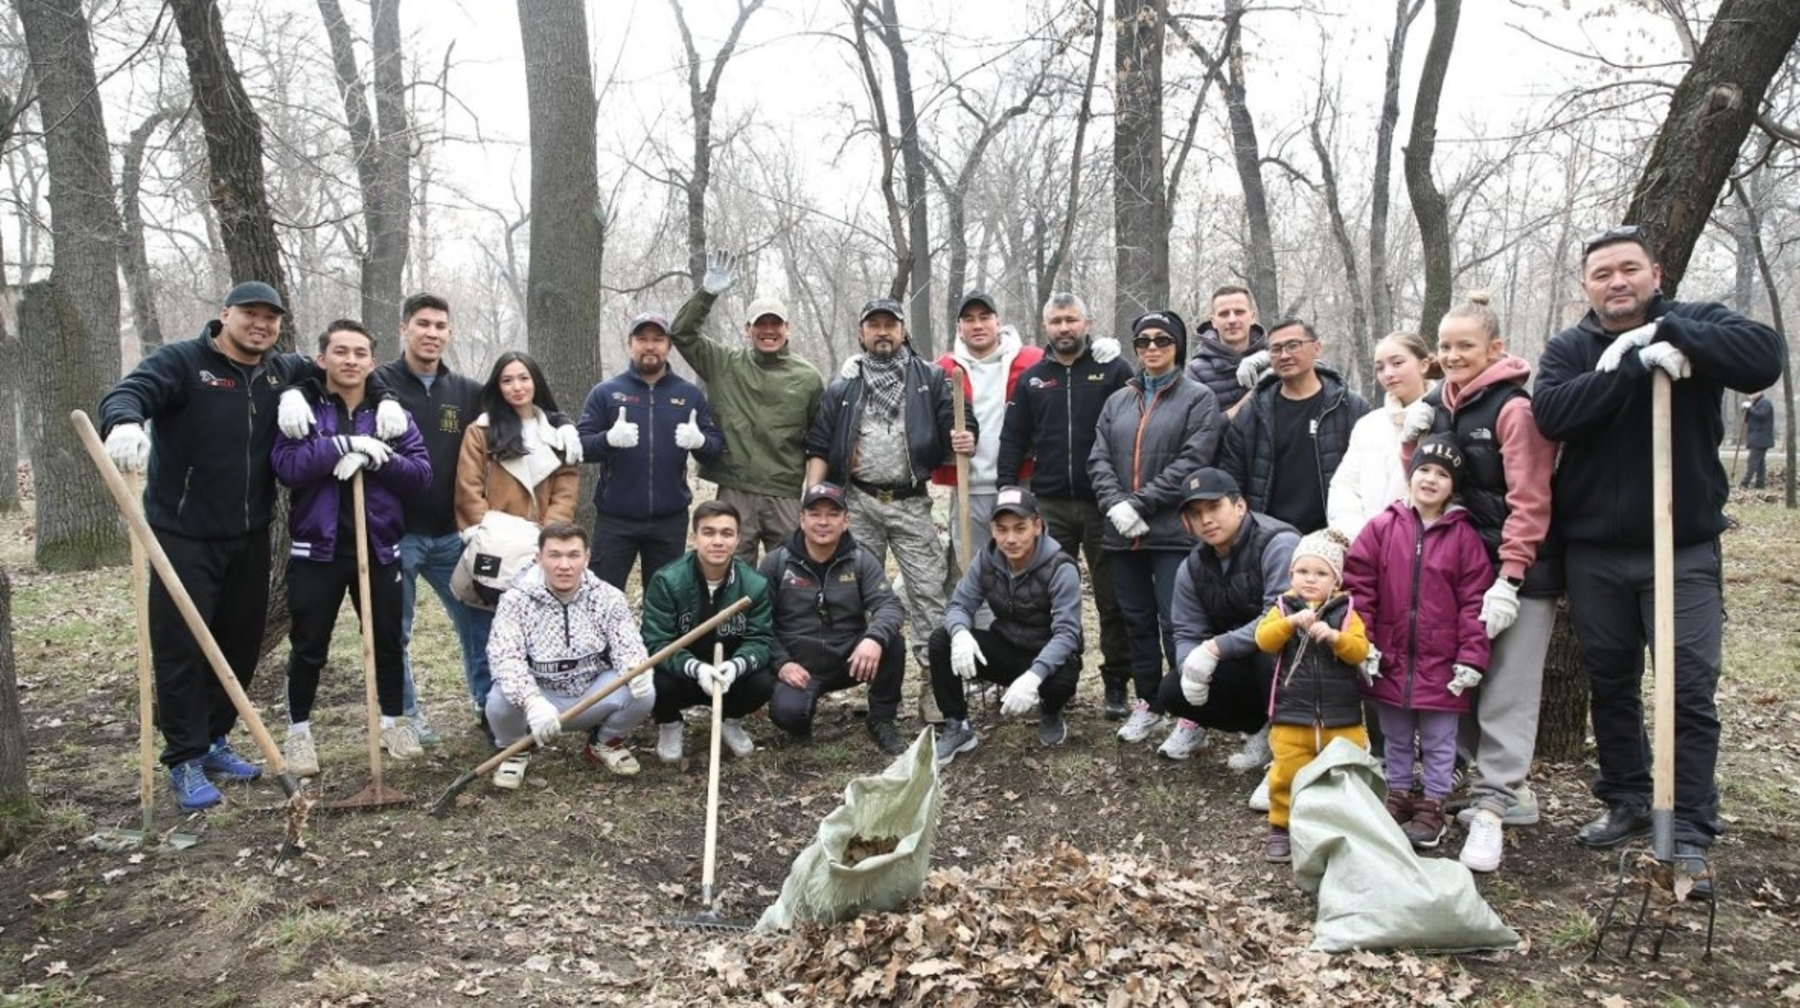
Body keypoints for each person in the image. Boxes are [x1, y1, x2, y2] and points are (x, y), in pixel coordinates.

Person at [1534, 226, 1782, 879]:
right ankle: (1628, 797)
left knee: (1690, 686)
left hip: (1685, 547)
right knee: (1612, 682)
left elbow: (1763, 358)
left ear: (1655, 272)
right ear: (1585, 286)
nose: (1617, 282)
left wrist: (1673, 336)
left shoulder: (1696, 321)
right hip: (1596, 553)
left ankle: (1692, 821)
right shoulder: (1570, 348)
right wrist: (1628, 367)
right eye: (1602, 273)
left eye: (1629, 269)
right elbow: (1554, 414)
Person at [99, 281, 405, 810]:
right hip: (183, 532)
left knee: (240, 642)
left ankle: (216, 739)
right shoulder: (183, 362)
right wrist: (124, 420)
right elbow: (130, 392)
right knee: (182, 648)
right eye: (250, 315)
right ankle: (185, 759)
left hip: (250, 533)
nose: (260, 324)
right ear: (225, 315)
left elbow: (341, 374)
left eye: (270, 317)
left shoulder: (279, 369)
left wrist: (386, 398)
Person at [374, 294, 584, 745]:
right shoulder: (379, 382)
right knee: (396, 629)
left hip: (451, 538)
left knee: (481, 626)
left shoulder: (465, 391)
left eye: (440, 326)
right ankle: (404, 718)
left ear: (449, 333)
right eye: (423, 324)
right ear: (404, 328)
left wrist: (564, 420)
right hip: (399, 531)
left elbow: (523, 405)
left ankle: (489, 706)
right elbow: (472, 478)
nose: (432, 333)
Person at [1398, 291, 1560, 874]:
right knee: (1461, 679)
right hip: (1457, 568)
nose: (1453, 354)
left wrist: (1511, 577)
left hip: (1518, 573)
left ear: (1495, 348)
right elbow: (1425, 487)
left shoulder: (1514, 409)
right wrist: (1410, 443)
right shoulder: (1439, 404)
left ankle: (1497, 803)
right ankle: (1467, 784)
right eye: (1444, 346)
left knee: (1508, 689)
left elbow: (1530, 499)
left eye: (1466, 345)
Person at [270, 320, 433, 775]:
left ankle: (394, 721)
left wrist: (377, 457)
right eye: (340, 352)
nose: (350, 361)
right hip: (317, 550)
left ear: (372, 362)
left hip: (378, 548)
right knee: (309, 645)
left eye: (360, 353)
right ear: (321, 359)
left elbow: (421, 475)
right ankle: (299, 733)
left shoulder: (389, 415)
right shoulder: (304, 409)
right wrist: (339, 445)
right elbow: (286, 466)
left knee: (387, 639)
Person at [804, 298, 975, 673]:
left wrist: (966, 437)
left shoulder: (930, 379)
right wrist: (810, 501)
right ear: (861, 333)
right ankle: (875, 682)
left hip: (911, 502)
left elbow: (959, 421)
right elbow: (819, 444)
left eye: (890, 325)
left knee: (928, 591)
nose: (882, 332)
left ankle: (935, 681)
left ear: (903, 331)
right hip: (859, 502)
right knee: (859, 592)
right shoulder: (844, 387)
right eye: (874, 325)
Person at [1342, 437, 1493, 853]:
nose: (1430, 479)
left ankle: (1433, 804)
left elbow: (1474, 602)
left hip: (1442, 664)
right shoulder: (1382, 527)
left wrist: (1471, 657)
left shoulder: (1464, 537)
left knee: (1441, 738)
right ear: (1411, 475)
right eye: (1424, 470)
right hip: (1389, 659)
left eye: (1442, 475)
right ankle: (1399, 794)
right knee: (1395, 734)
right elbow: (1360, 587)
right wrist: (1363, 643)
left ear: (1453, 486)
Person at [998, 292, 1135, 718]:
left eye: (1071, 319)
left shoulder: (1114, 369)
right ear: (1046, 327)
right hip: (1050, 505)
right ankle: (1059, 681)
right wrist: (1007, 491)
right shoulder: (1034, 378)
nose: (1064, 328)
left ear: (1087, 322)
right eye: (1056, 321)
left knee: (1112, 599)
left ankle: (1116, 683)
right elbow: (1013, 437)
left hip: (1104, 504)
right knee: (1051, 599)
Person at [1089, 310, 1221, 745]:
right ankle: (1150, 702)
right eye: (1143, 340)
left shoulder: (1197, 398)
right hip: (1121, 534)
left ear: (1177, 345)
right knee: (1136, 620)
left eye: (1162, 340)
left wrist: (1140, 503)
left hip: (1172, 533)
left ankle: (1190, 713)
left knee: (1176, 624)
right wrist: (1116, 507)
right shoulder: (1118, 401)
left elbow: (1194, 459)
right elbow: (1099, 459)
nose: (1151, 348)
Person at [662, 252, 825, 562]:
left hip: (785, 492)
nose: (768, 331)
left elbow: (819, 439)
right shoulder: (724, 363)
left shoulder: (808, 377)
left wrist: (812, 493)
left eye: (775, 324)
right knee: (733, 569)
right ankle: (737, 614)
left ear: (787, 328)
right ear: (747, 329)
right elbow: (682, 333)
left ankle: (783, 615)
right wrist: (707, 294)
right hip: (736, 488)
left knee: (792, 570)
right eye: (760, 324)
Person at [483, 522, 655, 784]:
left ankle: (604, 743)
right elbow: (505, 657)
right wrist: (531, 701)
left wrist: (636, 668)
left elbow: (627, 644)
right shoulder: (514, 601)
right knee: (498, 700)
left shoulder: (609, 597)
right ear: (539, 558)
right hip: (540, 697)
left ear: (586, 557)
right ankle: (516, 750)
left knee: (644, 693)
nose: (564, 565)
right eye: (555, 555)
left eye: (573, 555)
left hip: (592, 691)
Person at [457, 351, 581, 700]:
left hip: (538, 544)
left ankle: (531, 701)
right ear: (497, 386)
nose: (516, 387)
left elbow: (565, 490)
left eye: (523, 378)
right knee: (485, 628)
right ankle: (489, 704)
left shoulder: (558, 435)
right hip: (493, 545)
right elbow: (469, 489)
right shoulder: (480, 432)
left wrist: (547, 537)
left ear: (535, 382)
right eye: (507, 379)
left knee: (532, 627)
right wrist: (483, 534)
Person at [930, 487, 1084, 766]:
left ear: (1037, 526)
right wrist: (961, 633)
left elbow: (1067, 634)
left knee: (1062, 678)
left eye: (1020, 528)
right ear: (992, 529)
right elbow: (959, 606)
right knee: (942, 639)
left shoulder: (1061, 567)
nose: (1010, 539)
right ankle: (957, 725)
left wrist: (1034, 677)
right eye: (1002, 530)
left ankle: (1050, 711)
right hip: (1005, 648)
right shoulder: (987, 560)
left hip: (1046, 658)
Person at [576, 311, 725, 589]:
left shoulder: (689, 395)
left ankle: (658, 637)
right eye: (642, 338)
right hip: (615, 518)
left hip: (669, 520)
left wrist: (701, 442)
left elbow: (715, 448)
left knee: (665, 601)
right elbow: (580, 447)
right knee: (602, 595)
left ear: (668, 345)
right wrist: (608, 439)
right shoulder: (606, 392)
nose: (650, 346)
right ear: (629, 342)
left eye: (658, 339)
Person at [758, 482, 909, 755]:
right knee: (788, 714)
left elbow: (890, 606)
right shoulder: (776, 563)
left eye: (833, 514)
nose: (823, 522)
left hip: (849, 661)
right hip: (799, 666)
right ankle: (800, 722)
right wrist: (781, 663)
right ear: (801, 519)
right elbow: (757, 623)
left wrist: (873, 638)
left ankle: (882, 718)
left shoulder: (861, 560)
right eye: (815, 514)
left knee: (892, 643)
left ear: (846, 521)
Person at [1161, 469, 1297, 769]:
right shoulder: (1192, 566)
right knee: (1173, 689)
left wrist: (1214, 649)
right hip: (1240, 662)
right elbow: (1186, 630)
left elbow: (1281, 616)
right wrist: (1190, 667)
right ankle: (1258, 726)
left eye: (1214, 507)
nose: (1206, 519)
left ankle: (1286, 743)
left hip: (1296, 660)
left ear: (1240, 505)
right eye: (1196, 514)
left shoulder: (1278, 543)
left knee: (1270, 651)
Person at [1251, 529, 1370, 863]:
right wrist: (1289, 624)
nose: (1310, 579)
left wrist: (1335, 637)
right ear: (1291, 575)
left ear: (1336, 581)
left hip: (1341, 715)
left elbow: (1359, 650)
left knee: (1344, 773)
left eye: (1321, 573)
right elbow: (1264, 640)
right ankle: (1281, 826)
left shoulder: (1346, 612)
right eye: (1302, 572)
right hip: (1293, 713)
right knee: (1286, 772)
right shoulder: (1283, 607)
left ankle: (1342, 828)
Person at [640, 500, 776, 764]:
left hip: (727, 677)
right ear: (694, 537)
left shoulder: (755, 585)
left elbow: (760, 641)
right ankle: (669, 723)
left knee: (764, 681)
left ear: (738, 539)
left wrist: (736, 666)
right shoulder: (667, 581)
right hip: (683, 676)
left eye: (726, 533)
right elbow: (655, 642)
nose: (718, 541)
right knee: (652, 677)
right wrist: (694, 667)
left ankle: (730, 720)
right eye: (709, 532)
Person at [1221, 318, 1371, 538]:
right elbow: (1233, 478)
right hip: (1269, 538)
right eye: (1276, 349)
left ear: (1317, 348)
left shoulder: (1351, 408)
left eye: (1293, 345)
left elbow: (1369, 476)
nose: (1284, 355)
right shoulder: (1254, 412)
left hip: (1334, 536)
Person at [928, 291, 1043, 560]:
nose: (977, 325)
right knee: (975, 567)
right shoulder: (943, 368)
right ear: (959, 327)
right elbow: (909, 385)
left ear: (998, 321)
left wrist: (1097, 349)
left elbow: (1071, 364)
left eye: (984, 317)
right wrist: (858, 362)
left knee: (1024, 564)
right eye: (968, 319)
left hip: (1020, 482)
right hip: (968, 486)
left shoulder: (1032, 361)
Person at [1326, 331, 1439, 542]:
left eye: (1397, 363)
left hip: (1425, 550)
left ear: (1423, 365)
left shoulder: (1444, 420)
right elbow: (1345, 487)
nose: (1388, 373)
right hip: (1367, 548)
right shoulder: (1368, 425)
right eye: (1380, 367)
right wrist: (1360, 538)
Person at [1184, 284, 1270, 423]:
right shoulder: (1196, 371)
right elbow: (1196, 431)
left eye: (1239, 312)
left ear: (1252, 316)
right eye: (1224, 314)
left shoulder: (1276, 357)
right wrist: (1247, 402)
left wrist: (1269, 360)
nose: (1232, 320)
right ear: (1213, 321)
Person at [1742, 390, 1774, 489]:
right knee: (1760, 463)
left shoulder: (1765, 402)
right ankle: (1760, 484)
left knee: (1752, 461)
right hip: (1756, 438)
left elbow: (1761, 416)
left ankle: (1744, 483)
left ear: (1759, 392)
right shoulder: (1755, 404)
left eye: (1752, 392)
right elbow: (1747, 420)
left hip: (1761, 438)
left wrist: (1750, 408)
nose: (1749, 395)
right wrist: (1745, 409)